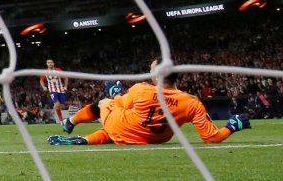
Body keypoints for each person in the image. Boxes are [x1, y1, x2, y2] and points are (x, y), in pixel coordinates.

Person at [48, 58, 251, 145]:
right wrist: (233, 126)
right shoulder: (192, 102)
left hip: (124, 127)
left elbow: (119, 103)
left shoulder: (141, 89)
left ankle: (70, 122)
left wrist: (114, 91)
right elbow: (212, 138)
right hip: (156, 139)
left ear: (155, 76)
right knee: (116, 129)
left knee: (103, 103)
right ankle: (86, 139)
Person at [39, 58, 69, 124]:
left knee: (62, 106)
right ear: (46, 64)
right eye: (48, 62)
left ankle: (56, 112)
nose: (50, 64)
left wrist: (65, 86)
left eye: (51, 62)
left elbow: (66, 78)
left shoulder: (58, 70)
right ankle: (60, 119)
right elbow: (41, 80)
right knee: (57, 104)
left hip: (61, 90)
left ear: (53, 63)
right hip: (52, 90)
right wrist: (44, 87)